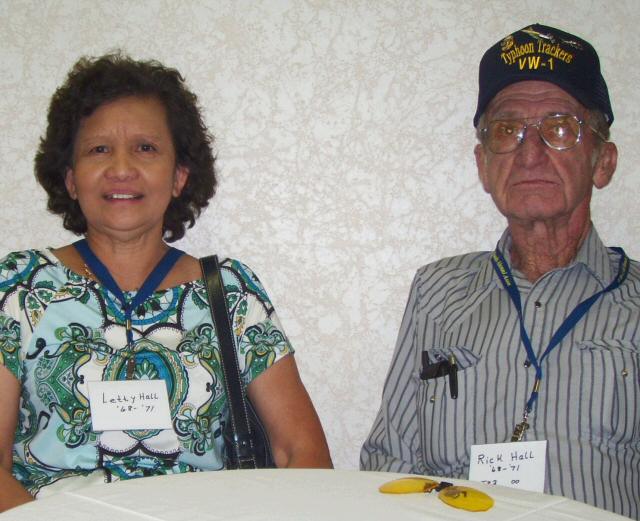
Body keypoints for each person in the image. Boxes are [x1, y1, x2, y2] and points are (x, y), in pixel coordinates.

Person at [0, 52, 332, 512]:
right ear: (71, 179)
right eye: (99, 150)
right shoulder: (20, 287)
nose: (121, 168)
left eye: (145, 148)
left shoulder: (230, 293)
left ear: (179, 177)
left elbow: (303, 453)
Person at [361, 23, 639, 520]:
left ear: (603, 160)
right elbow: (390, 463)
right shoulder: (436, 293)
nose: (530, 154)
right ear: (483, 165)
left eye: (559, 128)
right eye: (507, 131)